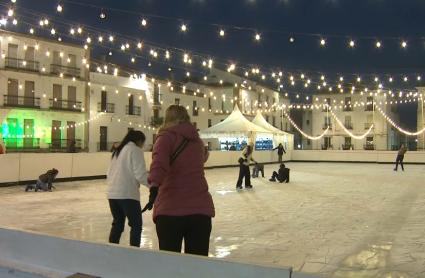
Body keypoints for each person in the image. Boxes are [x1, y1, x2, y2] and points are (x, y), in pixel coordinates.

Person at [144, 105, 215, 256]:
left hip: (171, 211)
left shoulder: (165, 138)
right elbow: (202, 159)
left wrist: (154, 186)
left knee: (171, 267)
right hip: (200, 211)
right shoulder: (197, 141)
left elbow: (159, 164)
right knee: (197, 266)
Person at [107, 130, 149, 247]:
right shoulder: (135, 150)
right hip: (127, 194)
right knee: (136, 225)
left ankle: (112, 251)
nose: (142, 146)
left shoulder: (117, 151)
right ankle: (133, 254)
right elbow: (140, 174)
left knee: (118, 224)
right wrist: (154, 186)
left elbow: (108, 173)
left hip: (112, 194)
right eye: (143, 143)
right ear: (139, 141)